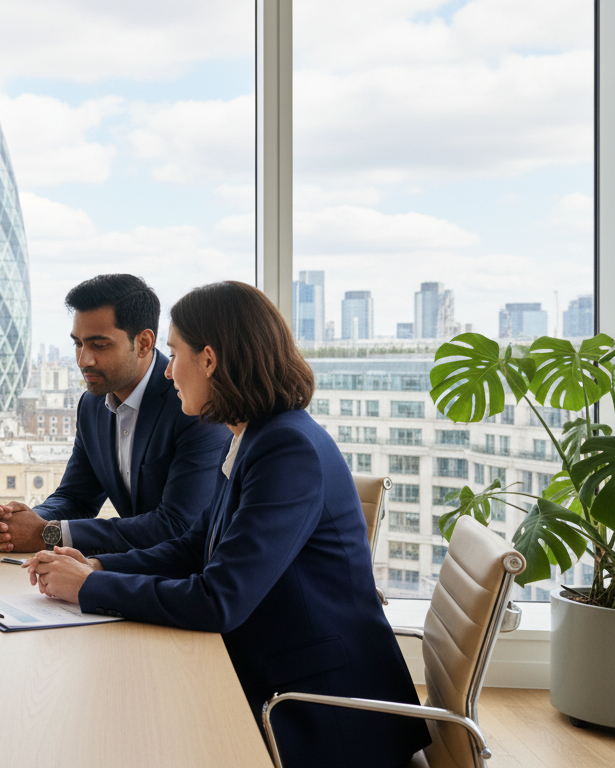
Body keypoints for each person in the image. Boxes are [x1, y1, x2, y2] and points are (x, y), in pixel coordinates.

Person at [25, 281, 430, 768]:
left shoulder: (287, 450)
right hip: (276, 674)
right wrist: (94, 564)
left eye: (175, 355)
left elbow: (220, 600)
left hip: (320, 712)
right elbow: (195, 545)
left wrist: (91, 587)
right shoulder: (254, 435)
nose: (169, 372)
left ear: (210, 360)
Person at [0, 274, 230, 556]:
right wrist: (22, 521)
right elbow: (76, 497)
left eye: (99, 345)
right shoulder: (92, 405)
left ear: (144, 343)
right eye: (78, 344)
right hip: (134, 573)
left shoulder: (191, 404)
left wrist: (46, 533)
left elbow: (176, 525)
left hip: (185, 580)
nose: (83, 360)